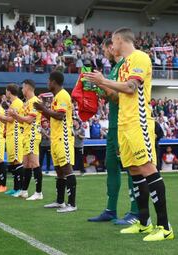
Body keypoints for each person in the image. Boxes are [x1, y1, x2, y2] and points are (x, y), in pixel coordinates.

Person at [84, 27, 173, 241]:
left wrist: (104, 81)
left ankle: (164, 227)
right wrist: (99, 86)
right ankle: (144, 223)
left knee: (147, 168)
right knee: (134, 170)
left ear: (119, 40)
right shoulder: (123, 64)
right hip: (123, 124)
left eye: (112, 43)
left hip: (138, 122)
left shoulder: (139, 58)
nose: (110, 47)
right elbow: (118, 96)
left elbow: (132, 87)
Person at [87, 38, 139, 225]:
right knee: (111, 167)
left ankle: (136, 211)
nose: (105, 52)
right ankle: (111, 209)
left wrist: (102, 84)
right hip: (113, 124)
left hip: (124, 124)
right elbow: (111, 96)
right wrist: (98, 86)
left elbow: (119, 97)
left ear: (113, 47)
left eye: (105, 48)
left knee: (131, 168)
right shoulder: (115, 69)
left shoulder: (127, 65)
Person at [34, 71, 77, 213]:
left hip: (63, 137)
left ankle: (72, 204)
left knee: (66, 168)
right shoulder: (56, 97)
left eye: (48, 80)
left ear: (53, 82)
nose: (47, 83)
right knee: (59, 170)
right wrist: (42, 110)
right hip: (55, 137)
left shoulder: (63, 95)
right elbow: (53, 116)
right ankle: (60, 201)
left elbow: (60, 115)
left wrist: (43, 108)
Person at [8, 79, 43, 201]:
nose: (22, 90)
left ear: (27, 88)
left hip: (33, 134)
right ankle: (24, 190)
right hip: (26, 135)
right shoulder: (26, 103)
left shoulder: (35, 102)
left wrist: (15, 115)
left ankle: (39, 192)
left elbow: (29, 119)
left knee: (34, 163)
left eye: (23, 88)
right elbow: (20, 118)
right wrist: (14, 114)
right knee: (27, 164)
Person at [2, 84, 24, 196]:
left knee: (17, 161)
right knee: (13, 162)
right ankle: (16, 188)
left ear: (9, 92)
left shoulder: (17, 103)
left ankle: (20, 188)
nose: (6, 93)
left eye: (6, 91)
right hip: (11, 134)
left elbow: (10, 119)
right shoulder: (13, 103)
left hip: (16, 134)